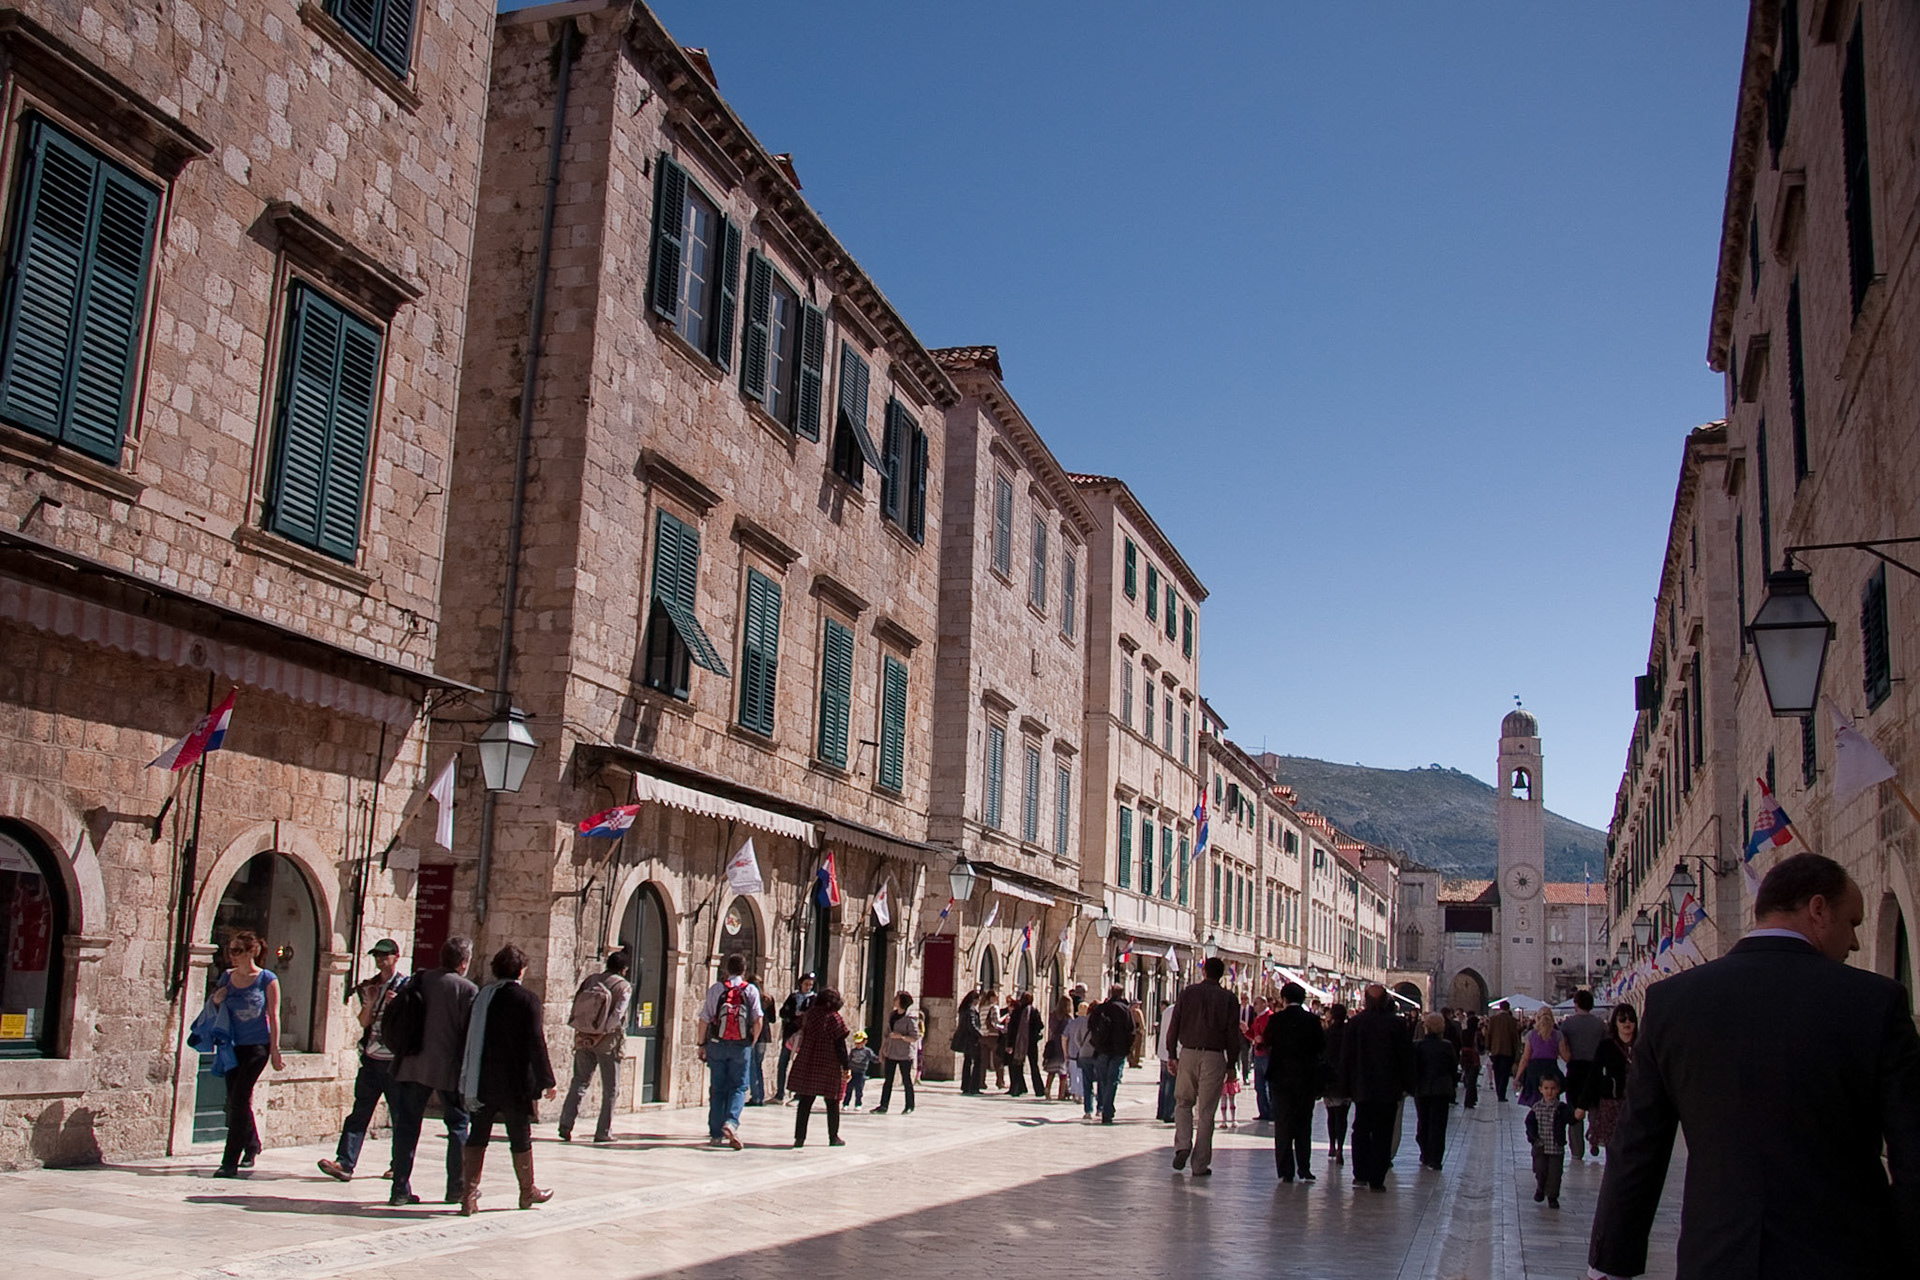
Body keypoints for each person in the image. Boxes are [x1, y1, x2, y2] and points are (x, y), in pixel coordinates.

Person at [1589, 853, 1920, 1280]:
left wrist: (1612, 1263)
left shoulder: (1673, 1003)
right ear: (1818, 909)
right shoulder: (1876, 1002)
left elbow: (1638, 1145)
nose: (1854, 942)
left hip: (1718, 1258)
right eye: (1853, 922)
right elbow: (1913, 1152)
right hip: (1844, 1257)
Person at [457, 945, 556, 1215]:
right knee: (520, 1135)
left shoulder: (482, 998)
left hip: (483, 1079)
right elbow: (536, 1042)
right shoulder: (527, 1000)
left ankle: (468, 1195)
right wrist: (547, 1079)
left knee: (478, 1135)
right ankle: (527, 1192)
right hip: (515, 1081)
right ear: (521, 970)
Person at [388, 935, 478, 1206]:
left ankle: (399, 1189)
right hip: (448, 1068)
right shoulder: (467, 989)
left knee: (406, 1127)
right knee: (458, 1126)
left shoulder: (419, 979)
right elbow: (470, 1034)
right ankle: (456, 1188)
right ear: (463, 963)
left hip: (412, 1064)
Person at [317, 939, 406, 1186]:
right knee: (359, 1113)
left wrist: (396, 1002)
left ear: (396, 957)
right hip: (372, 1058)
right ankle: (345, 1162)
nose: (380, 960)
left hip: (394, 1061)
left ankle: (398, 1165)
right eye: (377, 955)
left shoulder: (405, 986)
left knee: (399, 1115)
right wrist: (369, 1002)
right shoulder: (370, 987)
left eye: (385, 956)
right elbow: (364, 1022)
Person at [209, 930, 284, 1177]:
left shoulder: (266, 979)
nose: (232, 956)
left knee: (240, 1098)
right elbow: (215, 1009)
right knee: (236, 1099)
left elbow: (273, 1016)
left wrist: (275, 1050)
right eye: (230, 950)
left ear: (253, 951)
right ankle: (252, 1145)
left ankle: (229, 1162)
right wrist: (217, 1000)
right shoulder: (226, 978)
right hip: (231, 1046)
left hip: (257, 1047)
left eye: (238, 950)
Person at [1165, 956, 1245, 1176]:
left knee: (1182, 1102)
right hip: (1214, 1056)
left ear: (1204, 972)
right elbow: (1232, 1034)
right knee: (1206, 1111)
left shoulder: (1188, 993)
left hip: (1189, 1052)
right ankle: (1199, 1164)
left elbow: (1175, 1025)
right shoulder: (1229, 999)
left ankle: (1182, 1144)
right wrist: (1231, 1065)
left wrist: (1172, 1054)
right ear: (1222, 975)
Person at [1340, 984, 1413, 1191]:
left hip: (1362, 1087)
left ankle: (1360, 1173)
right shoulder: (1396, 1025)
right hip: (1388, 1088)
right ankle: (1377, 1178)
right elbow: (1405, 1057)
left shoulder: (1355, 1023)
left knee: (1361, 1128)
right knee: (1383, 1131)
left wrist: (1345, 1087)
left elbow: (1346, 1058)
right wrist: (1408, 1085)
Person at [557, 948, 632, 1144]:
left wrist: (587, 1031)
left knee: (579, 1081)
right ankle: (603, 1131)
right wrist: (603, 1032)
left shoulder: (591, 980)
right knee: (611, 1089)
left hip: (584, 1036)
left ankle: (565, 1123)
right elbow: (618, 1013)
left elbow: (577, 1005)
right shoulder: (623, 986)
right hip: (608, 1042)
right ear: (624, 969)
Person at [696, 952, 763, 1149]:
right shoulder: (750, 990)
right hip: (741, 1046)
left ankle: (715, 1134)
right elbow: (758, 1019)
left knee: (717, 1089)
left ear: (726, 969)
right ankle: (731, 1122)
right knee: (739, 1087)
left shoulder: (716, 989)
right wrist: (751, 1042)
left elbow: (704, 1018)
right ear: (744, 970)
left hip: (717, 1044)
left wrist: (701, 1044)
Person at [1264, 982, 1325, 1183]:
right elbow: (1320, 1047)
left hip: (1280, 1078)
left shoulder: (1276, 1020)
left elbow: (1266, 1042)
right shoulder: (1312, 1020)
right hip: (1305, 1079)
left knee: (1283, 1124)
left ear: (1284, 999)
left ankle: (1285, 1169)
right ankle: (1304, 1168)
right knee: (1303, 1124)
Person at [789, 989, 850, 1148]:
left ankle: (799, 1138)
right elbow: (840, 1044)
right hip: (829, 1062)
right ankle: (833, 1137)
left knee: (805, 1101)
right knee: (832, 1101)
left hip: (808, 1059)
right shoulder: (834, 1018)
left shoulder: (809, 1015)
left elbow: (793, 1025)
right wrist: (846, 1065)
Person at [1581, 1003, 1635, 1154]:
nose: (1627, 1023)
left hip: (1636, 1101)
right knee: (1613, 1145)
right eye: (1622, 1019)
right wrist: (1582, 1105)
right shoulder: (1607, 1045)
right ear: (1615, 1023)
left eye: (1631, 1019)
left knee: (1632, 1144)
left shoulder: (1642, 1045)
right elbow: (1594, 1074)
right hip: (1612, 1101)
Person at [1558, 989, 1606, 1158]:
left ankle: (1577, 1151)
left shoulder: (1568, 1024)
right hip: (1594, 1069)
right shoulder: (1600, 1024)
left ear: (1576, 1004)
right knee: (1594, 1108)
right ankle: (1594, 1137)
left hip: (1575, 1069)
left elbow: (1562, 1047)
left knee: (1574, 1109)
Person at [1412, 1012, 1460, 1171]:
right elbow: (1453, 1067)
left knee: (1423, 1121)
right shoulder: (1447, 1046)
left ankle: (1425, 1152)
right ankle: (1436, 1159)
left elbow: (1414, 1068)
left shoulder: (1417, 1046)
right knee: (1438, 1125)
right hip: (1441, 1089)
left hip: (1422, 1088)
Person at [1086, 985, 1133, 1124]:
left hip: (1102, 1049)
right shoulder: (1125, 1010)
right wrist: (1128, 1049)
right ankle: (1107, 1110)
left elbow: (1091, 1025)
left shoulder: (1102, 1008)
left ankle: (1104, 1107)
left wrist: (1097, 1042)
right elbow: (1131, 1031)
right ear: (1122, 994)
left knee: (1103, 1079)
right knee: (1112, 1080)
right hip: (1118, 1050)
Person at [1527, 1071, 1571, 1209]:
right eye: (1546, 1088)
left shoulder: (1561, 1108)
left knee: (1555, 1173)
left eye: (1552, 1089)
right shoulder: (1536, 1108)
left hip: (1555, 1147)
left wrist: (1576, 1115)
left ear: (1558, 1090)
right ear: (1541, 1089)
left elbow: (1569, 1118)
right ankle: (1541, 1188)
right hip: (1540, 1146)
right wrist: (1533, 1139)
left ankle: (1552, 1196)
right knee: (1540, 1170)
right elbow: (1530, 1124)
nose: (1549, 1092)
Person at [1514, 1007, 1570, 1107]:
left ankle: (1537, 1120)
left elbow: (1525, 1058)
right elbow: (1566, 1057)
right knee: (1552, 1100)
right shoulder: (1558, 1035)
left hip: (1534, 1071)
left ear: (1537, 1018)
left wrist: (1517, 1077)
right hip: (1551, 1069)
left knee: (1535, 1103)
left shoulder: (1531, 1035)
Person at [874, 991, 919, 1113]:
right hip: (891, 1051)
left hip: (904, 1053)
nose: (894, 1000)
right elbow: (886, 1033)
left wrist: (901, 1036)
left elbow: (915, 1037)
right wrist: (882, 1049)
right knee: (888, 1080)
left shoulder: (911, 1018)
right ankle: (883, 1105)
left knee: (906, 1080)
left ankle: (909, 1105)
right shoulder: (892, 1015)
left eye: (897, 998)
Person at [773, 972, 815, 1103]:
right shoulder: (793, 997)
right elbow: (783, 1012)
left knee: (800, 1065)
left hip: (804, 1035)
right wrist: (793, 1014)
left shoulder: (814, 999)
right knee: (783, 1063)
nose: (808, 987)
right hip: (790, 1034)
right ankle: (780, 1093)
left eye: (810, 984)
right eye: (806, 984)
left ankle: (798, 1094)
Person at [1321, 1004, 1351, 1166]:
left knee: (1331, 1114)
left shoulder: (1327, 1033)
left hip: (1330, 1079)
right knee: (1343, 1116)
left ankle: (1332, 1145)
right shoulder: (1349, 1034)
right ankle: (1340, 1147)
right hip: (1345, 1079)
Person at [1484, 1001, 1520, 1103]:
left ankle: (1498, 1091)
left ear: (1500, 1008)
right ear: (1508, 1008)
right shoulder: (1512, 1021)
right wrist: (1516, 1050)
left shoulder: (1493, 1019)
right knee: (1505, 1073)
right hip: (1508, 1051)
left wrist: (1488, 1047)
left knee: (1497, 1072)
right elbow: (1514, 1038)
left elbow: (1488, 1034)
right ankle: (1501, 1094)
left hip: (1495, 1050)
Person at [1247, 996, 1274, 1122]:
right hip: (1258, 1054)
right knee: (1259, 1085)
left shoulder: (1270, 1017)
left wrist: (1263, 1039)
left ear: (1264, 1003)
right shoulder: (1257, 1018)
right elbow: (1253, 1034)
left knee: (1269, 1085)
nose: (1255, 1006)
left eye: (1256, 1003)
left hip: (1267, 1055)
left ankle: (1272, 1112)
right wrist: (1246, 1031)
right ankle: (1263, 1111)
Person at [1064, 1000, 1093, 1113]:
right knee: (1083, 1075)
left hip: (1072, 1051)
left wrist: (1065, 1051)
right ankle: (1082, 1094)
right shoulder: (1089, 1022)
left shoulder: (1072, 1022)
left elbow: (1064, 1037)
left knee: (1074, 1074)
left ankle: (1076, 1093)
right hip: (1086, 1052)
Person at [955, 990, 984, 1094]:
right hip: (972, 1040)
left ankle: (966, 1085)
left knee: (967, 1062)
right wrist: (980, 1034)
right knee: (977, 1062)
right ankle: (974, 1086)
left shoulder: (964, 1009)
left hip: (966, 1040)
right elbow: (972, 1025)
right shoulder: (971, 1010)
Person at [749, 988, 775, 1106]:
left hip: (753, 1034)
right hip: (764, 1035)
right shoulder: (769, 999)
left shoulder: (750, 997)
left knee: (752, 1066)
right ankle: (760, 1095)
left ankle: (756, 1096)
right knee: (758, 1066)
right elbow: (773, 1019)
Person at [1043, 992, 1071, 1100]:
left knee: (1051, 1070)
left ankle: (1047, 1089)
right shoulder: (1068, 1018)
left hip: (1053, 1043)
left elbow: (1051, 1028)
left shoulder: (1053, 1015)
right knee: (1063, 1072)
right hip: (1063, 1045)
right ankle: (1061, 1094)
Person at [844, 1031, 875, 1109]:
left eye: (860, 1042)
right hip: (852, 1072)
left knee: (859, 1090)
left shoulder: (867, 1051)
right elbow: (849, 1059)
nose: (858, 1044)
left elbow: (873, 1058)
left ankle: (858, 1104)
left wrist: (881, 1059)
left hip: (861, 1073)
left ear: (865, 1041)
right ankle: (846, 1103)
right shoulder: (853, 1051)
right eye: (857, 1043)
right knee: (848, 1089)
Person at [982, 990, 1006, 1090]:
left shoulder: (982, 1007)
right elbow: (996, 1023)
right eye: (996, 996)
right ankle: (1000, 1082)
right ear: (991, 997)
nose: (997, 998)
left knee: (983, 1061)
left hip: (983, 1036)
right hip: (993, 1036)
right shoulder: (994, 1007)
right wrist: (1004, 1020)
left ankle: (981, 1082)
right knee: (998, 1060)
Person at [1459, 1013, 1482, 1109]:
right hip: (1474, 1058)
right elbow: (1481, 1047)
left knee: (1469, 1079)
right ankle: (1469, 1100)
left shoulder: (1463, 1032)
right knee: (1472, 1080)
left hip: (1465, 1057)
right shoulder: (1477, 1034)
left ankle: (1472, 1099)